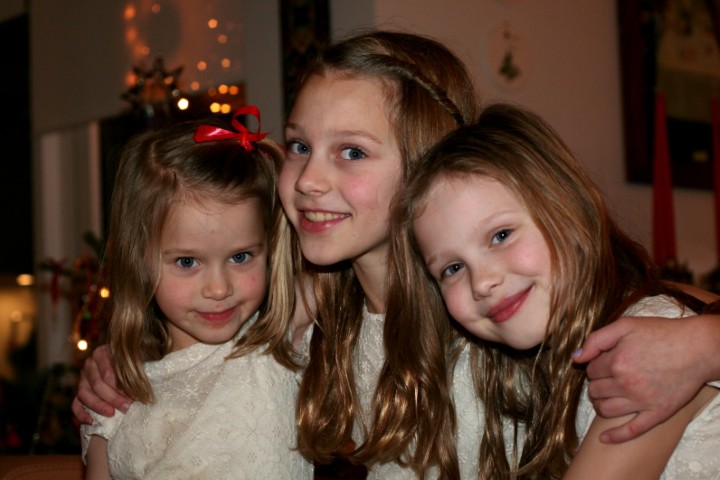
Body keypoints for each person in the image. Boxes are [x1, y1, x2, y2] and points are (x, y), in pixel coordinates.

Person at [73, 31, 720, 479]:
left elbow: (660, 312)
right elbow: (199, 342)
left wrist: (703, 345)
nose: (309, 180)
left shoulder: (493, 298)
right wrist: (114, 363)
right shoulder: (322, 303)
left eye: (351, 152)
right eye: (299, 146)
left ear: (427, 162)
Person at [399, 102, 720, 478]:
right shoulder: (542, 365)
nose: (482, 282)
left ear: (568, 210)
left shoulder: (645, 348)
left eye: (501, 235)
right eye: (452, 268)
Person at [81, 107, 313, 479]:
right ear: (140, 260)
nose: (219, 289)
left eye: (240, 257)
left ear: (269, 249)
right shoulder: (113, 397)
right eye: (187, 262)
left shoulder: (275, 343)